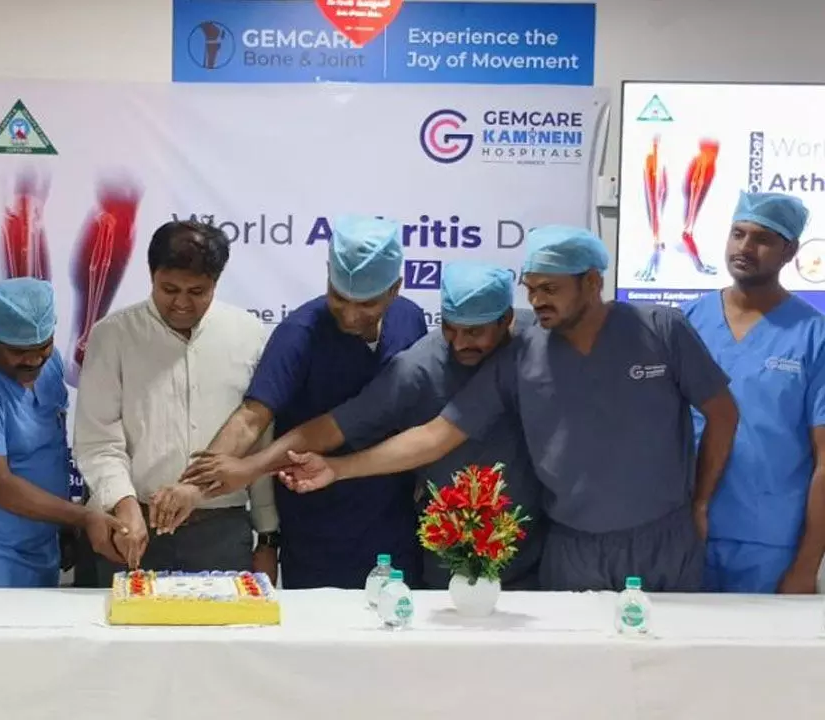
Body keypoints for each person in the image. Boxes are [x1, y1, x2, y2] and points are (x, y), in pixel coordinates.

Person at [277, 226, 740, 592]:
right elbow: (436, 435)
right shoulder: (521, 352)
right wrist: (338, 468)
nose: (537, 300)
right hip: (572, 546)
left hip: (664, 538)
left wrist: (701, 501)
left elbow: (723, 413)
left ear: (593, 282)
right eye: (532, 288)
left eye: (550, 288)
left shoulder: (661, 329)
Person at [181, 261, 544, 589]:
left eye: (476, 332)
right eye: (451, 328)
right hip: (443, 547)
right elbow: (341, 425)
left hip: (534, 544)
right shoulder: (417, 365)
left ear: (507, 318)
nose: (461, 343)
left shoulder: (538, 339)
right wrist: (249, 468)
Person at [178, 215, 430, 589]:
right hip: (319, 530)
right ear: (328, 274)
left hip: (395, 525)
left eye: (366, 303)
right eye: (339, 297)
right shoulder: (300, 333)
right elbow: (251, 416)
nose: (349, 314)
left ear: (395, 289)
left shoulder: (411, 321)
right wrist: (194, 486)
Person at [74, 220, 279, 585]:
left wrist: (267, 533)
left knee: (225, 641)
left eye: (197, 291)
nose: (182, 303)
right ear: (151, 275)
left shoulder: (248, 335)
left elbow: (258, 436)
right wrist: (123, 505)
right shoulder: (113, 336)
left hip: (221, 530)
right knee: (127, 639)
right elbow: (98, 440)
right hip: (133, 528)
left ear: (216, 282)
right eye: (169, 289)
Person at [0, 277, 127, 587]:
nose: (33, 360)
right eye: (19, 352)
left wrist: (62, 527)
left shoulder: (51, 363)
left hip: (41, 544)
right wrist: (82, 517)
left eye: (42, 346)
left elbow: (51, 447)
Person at [684, 191, 825, 593]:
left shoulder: (814, 337)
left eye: (762, 239)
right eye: (738, 233)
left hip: (770, 545)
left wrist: (805, 566)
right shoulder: (685, 323)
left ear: (789, 251)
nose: (745, 247)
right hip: (685, 533)